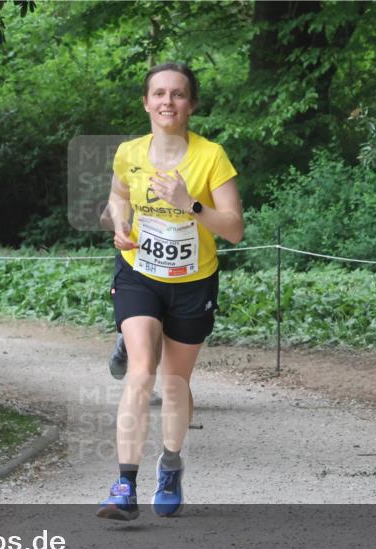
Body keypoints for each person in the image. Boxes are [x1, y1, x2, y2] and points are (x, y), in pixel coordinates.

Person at [98, 62, 243, 521]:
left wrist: (190, 204)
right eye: (158, 94)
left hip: (192, 282)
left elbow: (235, 229)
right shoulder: (128, 152)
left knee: (175, 385)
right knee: (141, 371)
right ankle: (124, 485)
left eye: (177, 94)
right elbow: (118, 197)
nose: (167, 102)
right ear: (146, 102)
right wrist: (120, 223)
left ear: (191, 104)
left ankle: (172, 463)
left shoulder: (211, 157)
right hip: (139, 273)